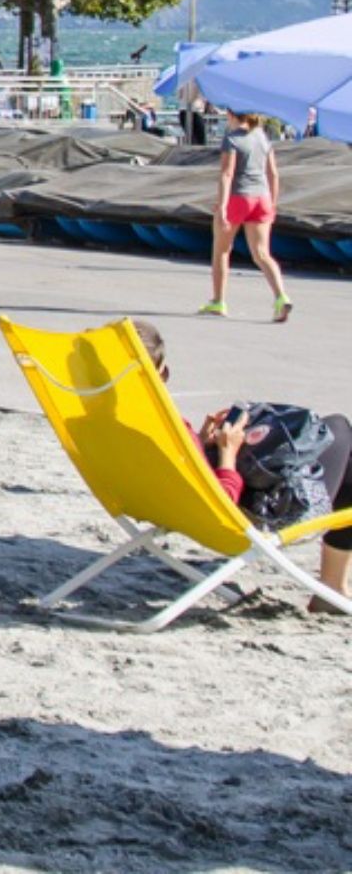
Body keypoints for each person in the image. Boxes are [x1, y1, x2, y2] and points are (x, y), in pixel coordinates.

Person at [133, 320, 351, 611]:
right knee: (338, 433)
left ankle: (332, 587)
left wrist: (199, 443)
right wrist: (227, 453)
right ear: (155, 375)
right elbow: (222, 499)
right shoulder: (166, 425)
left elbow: (175, 470)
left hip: (164, 506)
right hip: (235, 516)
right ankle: (332, 587)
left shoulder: (111, 422)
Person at [202, 111, 291, 321]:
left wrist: (222, 205)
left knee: (222, 251)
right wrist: (273, 203)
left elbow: (227, 174)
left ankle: (218, 301)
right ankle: (281, 297)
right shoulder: (262, 136)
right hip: (262, 197)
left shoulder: (232, 138)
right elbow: (273, 174)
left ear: (232, 115)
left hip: (238, 197)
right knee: (262, 253)